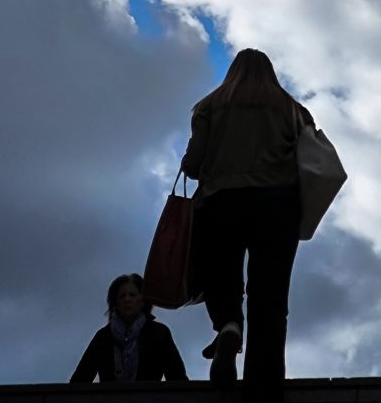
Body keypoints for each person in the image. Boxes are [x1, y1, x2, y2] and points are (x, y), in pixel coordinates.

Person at [182, 48, 311, 400]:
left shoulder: (210, 105)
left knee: (221, 277)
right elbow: (311, 160)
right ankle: (264, 384)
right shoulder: (293, 110)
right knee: (270, 297)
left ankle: (228, 326)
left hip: (223, 200)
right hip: (278, 206)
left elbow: (193, 164)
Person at [70, 273, 187, 382]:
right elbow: (80, 380)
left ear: (143, 301)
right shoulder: (103, 337)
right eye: (122, 296)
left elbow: (177, 378)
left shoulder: (159, 334)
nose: (127, 299)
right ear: (115, 303)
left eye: (133, 295)